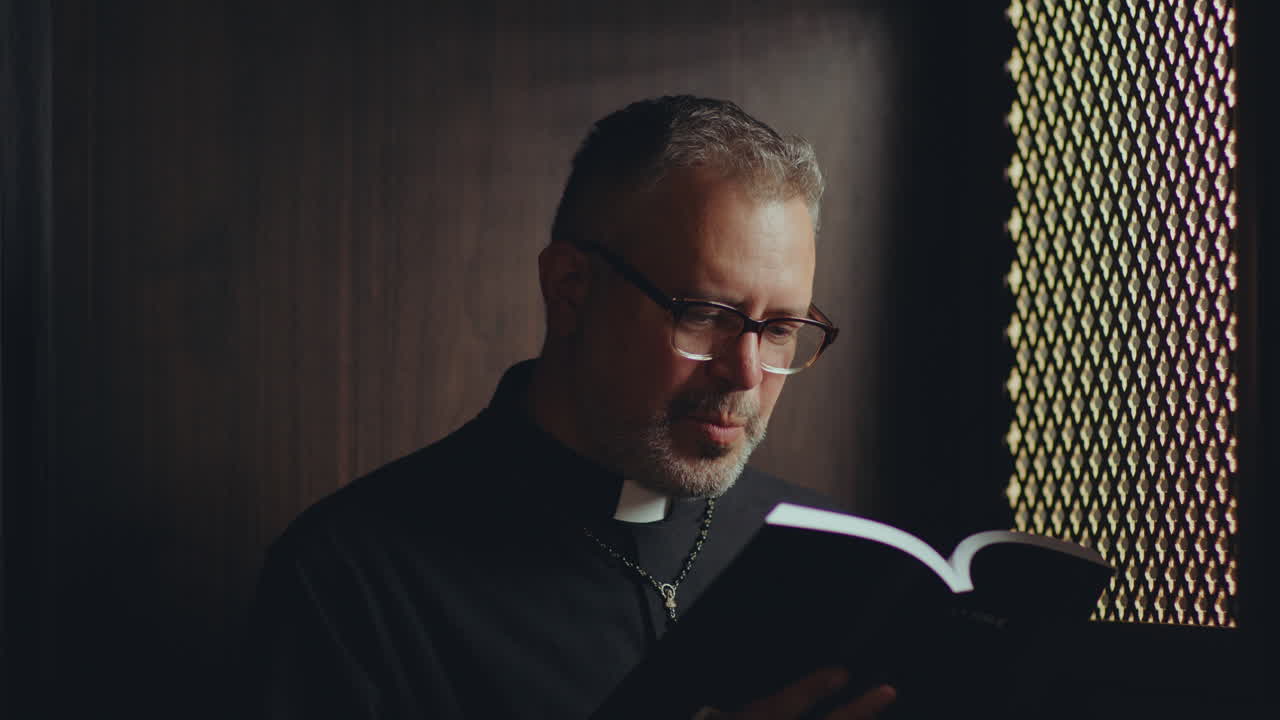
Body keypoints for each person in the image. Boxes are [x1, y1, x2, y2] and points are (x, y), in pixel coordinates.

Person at [244, 95, 896, 719]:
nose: (746, 373)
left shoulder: (832, 557)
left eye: (779, 328)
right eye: (704, 315)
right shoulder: (351, 578)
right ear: (570, 289)